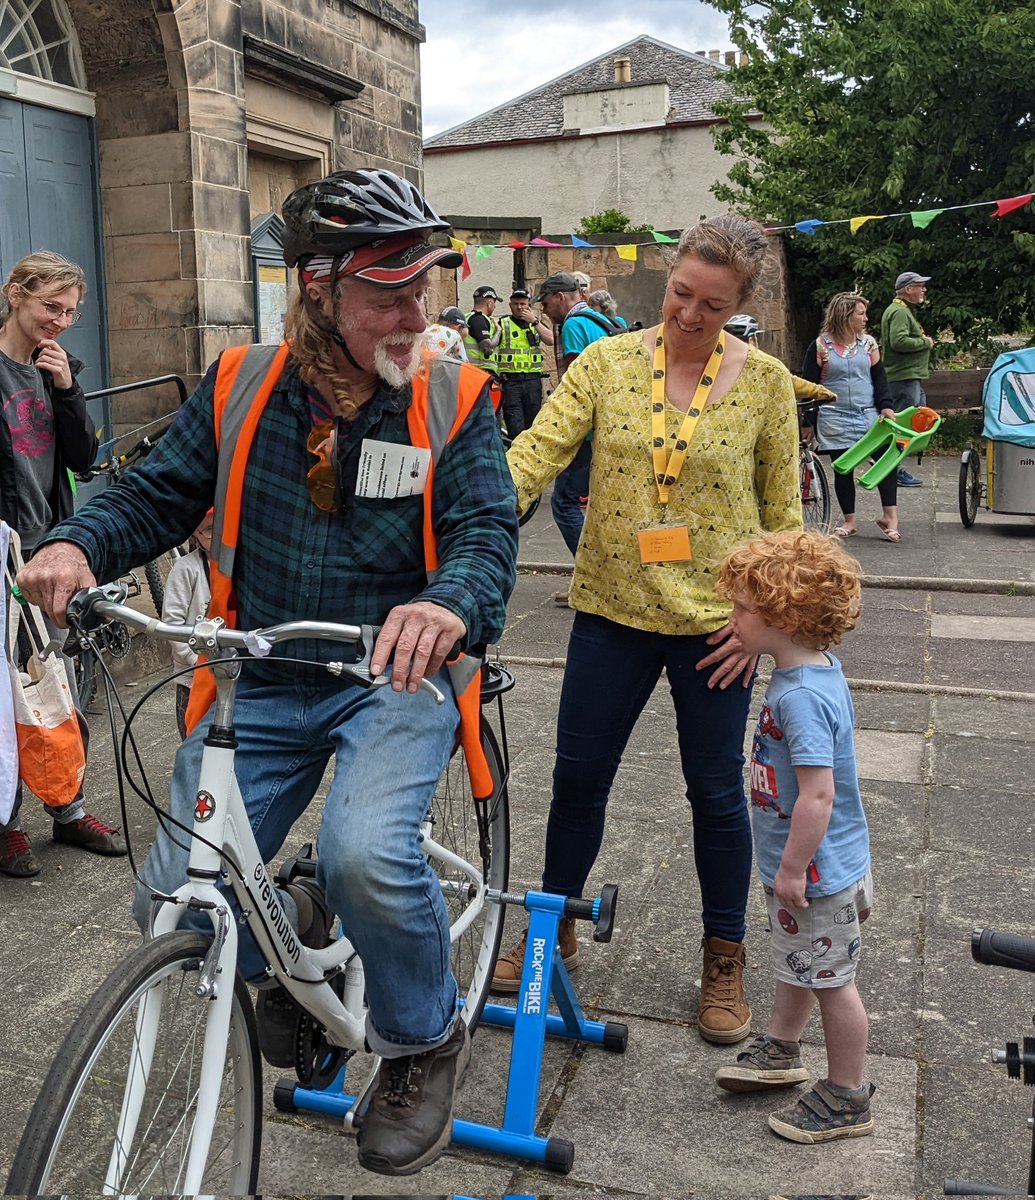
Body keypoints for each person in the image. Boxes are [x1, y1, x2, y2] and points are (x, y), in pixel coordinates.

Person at [16, 168, 519, 1177]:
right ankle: (298, 948)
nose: (418, 311)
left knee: (367, 854)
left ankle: (422, 1041)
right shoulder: (243, 381)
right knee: (169, 902)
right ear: (321, 289)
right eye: (392, 288)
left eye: (427, 285)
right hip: (266, 673)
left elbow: (483, 533)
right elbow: (155, 495)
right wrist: (76, 545)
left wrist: (445, 604)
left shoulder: (451, 394)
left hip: (395, 674)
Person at [496, 216, 803, 1046]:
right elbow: (537, 451)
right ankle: (551, 925)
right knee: (577, 779)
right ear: (664, 280)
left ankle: (723, 954)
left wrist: (764, 625)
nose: (690, 316)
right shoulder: (606, 362)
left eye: (711, 304)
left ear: (739, 304)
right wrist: (478, 515)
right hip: (610, 609)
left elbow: (782, 522)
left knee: (714, 795)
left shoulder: (767, 384)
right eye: (679, 294)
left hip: (717, 629)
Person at [714, 530, 875, 1145]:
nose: (732, 619)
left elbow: (817, 794)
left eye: (742, 609)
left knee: (832, 981)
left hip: (813, 869)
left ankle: (848, 1094)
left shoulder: (800, 696)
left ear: (781, 616)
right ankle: (783, 1047)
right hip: (825, 861)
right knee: (801, 960)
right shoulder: (813, 671)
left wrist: (790, 869)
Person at [0, 250, 126, 877]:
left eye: (71, 312)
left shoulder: (58, 370)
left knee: (57, 681)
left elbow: (82, 458)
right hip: (0, 552)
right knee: (4, 696)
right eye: (52, 306)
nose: (61, 321)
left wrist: (68, 390)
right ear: (16, 294)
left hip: (47, 548)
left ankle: (68, 807)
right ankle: (5, 821)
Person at [800, 292, 901, 542]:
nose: (866, 318)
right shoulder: (820, 345)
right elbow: (809, 384)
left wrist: (886, 406)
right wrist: (808, 421)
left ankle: (890, 517)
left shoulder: (868, 344)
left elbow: (879, 379)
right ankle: (850, 521)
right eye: (861, 313)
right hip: (834, 416)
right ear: (845, 316)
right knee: (843, 468)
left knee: (886, 463)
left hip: (869, 415)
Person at [534, 272, 617, 568]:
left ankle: (591, 575)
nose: (543, 310)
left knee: (564, 502)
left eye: (544, 303)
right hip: (614, 424)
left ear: (559, 297)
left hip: (589, 429)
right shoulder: (604, 321)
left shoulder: (573, 324)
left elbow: (577, 384)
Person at [161, 509, 213, 739]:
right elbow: (173, 624)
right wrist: (196, 662)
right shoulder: (186, 568)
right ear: (196, 533)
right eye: (209, 530)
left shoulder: (240, 565)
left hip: (231, 675)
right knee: (194, 742)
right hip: (192, 679)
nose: (218, 534)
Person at [879, 271, 934, 487]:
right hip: (903, 378)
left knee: (914, 422)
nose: (924, 289)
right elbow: (898, 341)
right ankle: (892, 470)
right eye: (920, 286)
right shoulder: (900, 313)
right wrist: (925, 343)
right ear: (908, 289)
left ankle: (891, 467)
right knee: (901, 427)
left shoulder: (900, 310)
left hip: (909, 377)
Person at [496, 288, 554, 438]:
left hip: (532, 381)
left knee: (533, 423)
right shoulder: (503, 323)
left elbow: (551, 340)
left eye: (523, 304)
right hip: (511, 382)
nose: (520, 307)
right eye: (516, 304)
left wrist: (534, 321)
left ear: (529, 305)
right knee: (514, 423)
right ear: (510, 305)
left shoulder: (536, 323)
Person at [463, 284, 502, 372]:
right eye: (494, 303)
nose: (495, 307)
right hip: (481, 370)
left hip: (470, 369)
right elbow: (487, 348)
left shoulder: (467, 317)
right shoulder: (479, 319)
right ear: (489, 304)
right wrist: (499, 330)